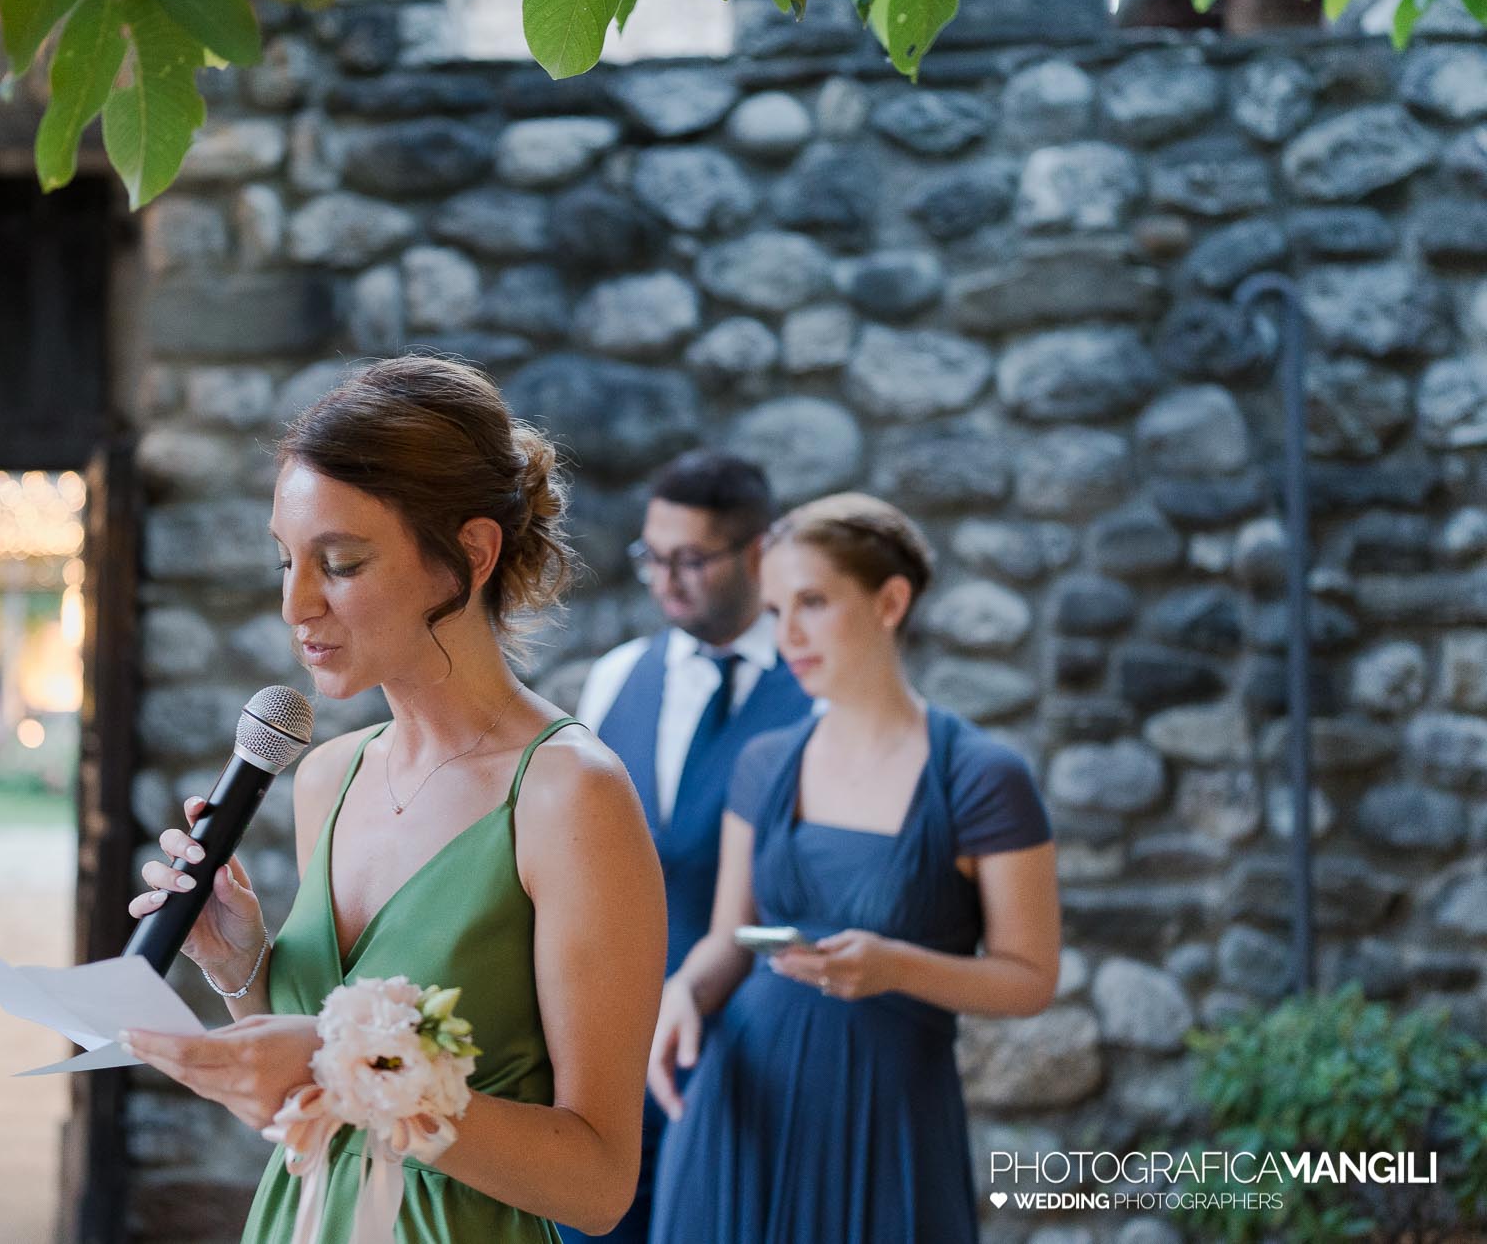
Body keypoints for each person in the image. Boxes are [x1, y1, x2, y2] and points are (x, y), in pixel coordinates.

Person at [118, 356, 666, 1242]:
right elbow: (313, 1107)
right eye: (286, 560)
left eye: (340, 563)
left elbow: (599, 1183)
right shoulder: (326, 776)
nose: (296, 604)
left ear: (472, 554)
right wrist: (241, 968)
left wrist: (351, 1071)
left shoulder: (570, 794)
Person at [647, 494, 1061, 1243]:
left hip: (886, 1118)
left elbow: (1029, 978)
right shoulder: (764, 762)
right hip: (741, 1108)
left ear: (890, 602)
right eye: (777, 609)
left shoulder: (980, 776)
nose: (789, 635)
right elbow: (730, 938)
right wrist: (686, 989)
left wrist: (895, 966)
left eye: (812, 602)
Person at [562, 449, 814, 1244]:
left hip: (760, 1058)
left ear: (758, 553)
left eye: (691, 560)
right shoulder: (615, 678)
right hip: (609, 1054)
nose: (666, 580)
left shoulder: (818, 691)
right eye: (653, 556)